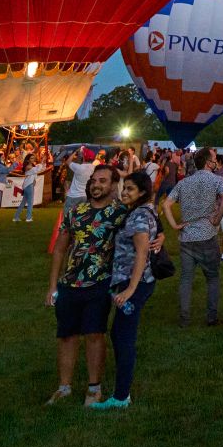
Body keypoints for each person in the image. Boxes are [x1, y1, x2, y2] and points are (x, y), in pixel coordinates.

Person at [46, 165, 126, 405]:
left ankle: (94, 388)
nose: (96, 185)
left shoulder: (120, 213)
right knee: (66, 336)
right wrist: (52, 286)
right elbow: (60, 248)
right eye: (94, 180)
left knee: (94, 335)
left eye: (103, 180)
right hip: (70, 283)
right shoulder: (75, 211)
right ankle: (64, 387)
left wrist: (161, 236)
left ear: (113, 186)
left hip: (100, 283)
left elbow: (143, 230)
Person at [92, 171, 159, 409]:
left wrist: (131, 288)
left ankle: (121, 396)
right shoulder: (139, 212)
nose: (125, 192)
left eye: (130, 189)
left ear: (142, 192)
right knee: (119, 334)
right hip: (128, 280)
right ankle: (122, 392)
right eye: (124, 187)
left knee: (124, 336)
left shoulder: (140, 216)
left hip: (135, 283)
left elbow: (142, 252)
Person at [164, 147, 223, 328]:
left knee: (186, 279)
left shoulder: (184, 182)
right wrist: (217, 220)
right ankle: (211, 317)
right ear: (209, 162)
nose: (216, 161)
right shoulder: (217, 180)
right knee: (213, 278)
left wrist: (174, 225)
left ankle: (184, 319)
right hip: (207, 236)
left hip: (186, 238)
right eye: (214, 158)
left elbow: (166, 204)